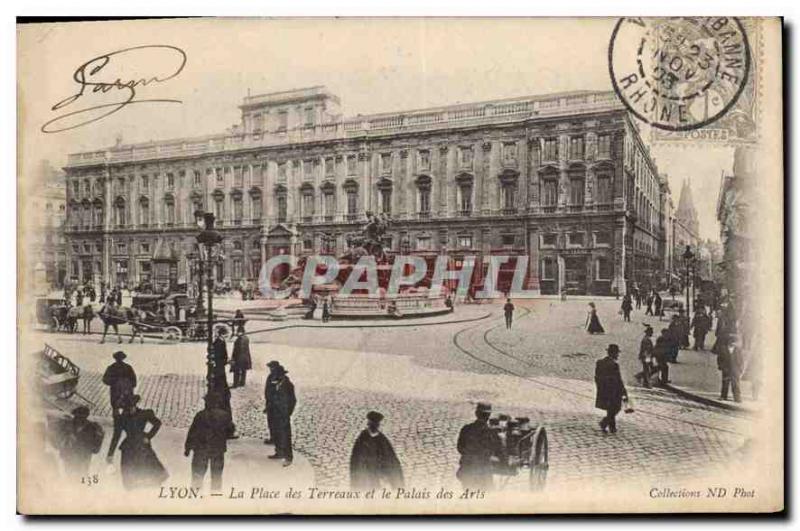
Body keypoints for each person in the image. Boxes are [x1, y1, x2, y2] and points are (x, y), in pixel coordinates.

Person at [108, 395, 169, 490]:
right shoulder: (121, 419)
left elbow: (157, 423)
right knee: (130, 475)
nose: (130, 410)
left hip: (142, 445)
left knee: (149, 472)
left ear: (135, 405)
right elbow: (116, 437)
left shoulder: (144, 414)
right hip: (129, 447)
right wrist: (110, 454)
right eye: (127, 409)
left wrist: (149, 436)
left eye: (132, 407)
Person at [184, 393, 233, 493]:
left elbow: (192, 432)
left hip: (201, 449)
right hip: (218, 449)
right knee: (216, 475)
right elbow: (230, 431)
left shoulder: (200, 415)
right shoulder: (225, 416)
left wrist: (187, 448)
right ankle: (215, 496)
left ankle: (195, 495)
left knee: (197, 474)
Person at [349, 411, 405, 490]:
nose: (374, 427)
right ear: (369, 424)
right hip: (367, 475)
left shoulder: (382, 439)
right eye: (372, 424)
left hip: (380, 475)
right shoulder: (362, 439)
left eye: (376, 425)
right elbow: (356, 460)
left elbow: (391, 459)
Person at [456, 402, 503, 491]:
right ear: (488, 416)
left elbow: (460, 448)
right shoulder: (492, 433)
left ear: (476, 414)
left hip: (467, 471)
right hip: (483, 474)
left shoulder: (466, 429)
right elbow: (500, 452)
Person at [102, 350, 137, 462]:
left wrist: (115, 383)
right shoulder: (128, 368)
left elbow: (105, 380)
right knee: (131, 430)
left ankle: (110, 455)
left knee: (116, 432)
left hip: (116, 399)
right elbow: (134, 382)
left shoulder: (111, 368)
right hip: (127, 401)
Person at [55, 406, 104, 479]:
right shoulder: (67, 425)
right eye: (78, 416)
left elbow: (97, 442)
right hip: (71, 455)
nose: (79, 419)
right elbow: (59, 438)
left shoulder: (92, 427)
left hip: (82, 456)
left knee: (81, 476)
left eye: (82, 416)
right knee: (71, 475)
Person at [264, 362, 296, 466]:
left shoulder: (287, 385)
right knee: (276, 433)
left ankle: (288, 457)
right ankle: (279, 452)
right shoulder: (271, 380)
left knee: (285, 436)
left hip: (283, 415)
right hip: (273, 412)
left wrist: (287, 412)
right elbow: (268, 394)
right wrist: (268, 407)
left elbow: (293, 400)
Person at [594, 344, 628, 434]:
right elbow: (618, 379)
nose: (618, 355)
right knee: (616, 408)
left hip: (603, 390)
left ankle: (612, 427)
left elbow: (596, 376)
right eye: (617, 354)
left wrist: (600, 387)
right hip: (613, 391)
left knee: (611, 409)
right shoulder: (614, 365)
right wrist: (623, 391)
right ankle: (604, 423)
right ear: (613, 353)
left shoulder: (600, 362)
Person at [717, 335, 743, 402]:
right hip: (726, 369)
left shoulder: (738, 350)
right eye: (732, 342)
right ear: (729, 342)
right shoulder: (723, 349)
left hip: (735, 369)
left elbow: (740, 360)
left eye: (734, 342)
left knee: (736, 384)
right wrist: (721, 366)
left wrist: (740, 368)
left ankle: (737, 398)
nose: (733, 344)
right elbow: (720, 359)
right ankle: (723, 396)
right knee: (725, 383)